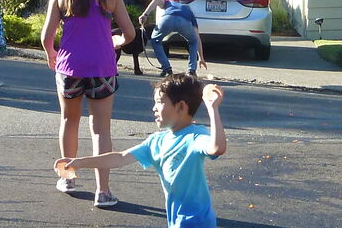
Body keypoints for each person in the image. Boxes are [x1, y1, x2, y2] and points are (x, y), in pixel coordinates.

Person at [55, 74, 227, 228]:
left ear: (181, 106)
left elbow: (217, 148)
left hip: (198, 222)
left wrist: (212, 109)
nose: (154, 108)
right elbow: (120, 157)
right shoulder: (157, 141)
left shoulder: (195, 136)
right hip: (176, 219)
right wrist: (79, 162)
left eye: (160, 102)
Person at [40, 0, 136, 208]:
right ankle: (103, 192)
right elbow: (130, 34)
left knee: (69, 120)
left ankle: (68, 178)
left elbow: (46, 37)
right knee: (101, 129)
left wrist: (52, 55)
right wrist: (114, 41)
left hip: (69, 67)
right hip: (102, 68)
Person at [140, 0, 207, 77]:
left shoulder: (169, 2)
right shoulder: (188, 11)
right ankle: (191, 71)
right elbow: (197, 37)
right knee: (193, 42)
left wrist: (145, 15)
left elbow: (156, 1)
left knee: (155, 40)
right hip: (185, 22)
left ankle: (167, 69)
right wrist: (201, 58)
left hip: (168, 19)